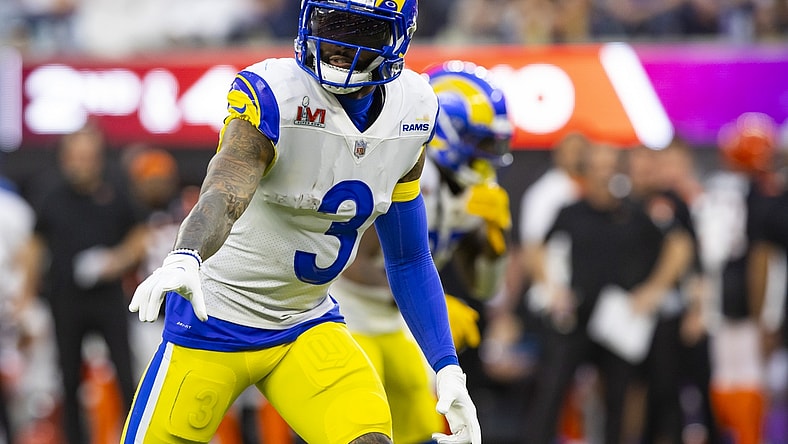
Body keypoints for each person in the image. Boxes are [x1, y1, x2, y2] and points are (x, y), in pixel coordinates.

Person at [122, 1, 481, 443]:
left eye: (357, 27)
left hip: (305, 323)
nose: (334, 40)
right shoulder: (275, 93)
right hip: (213, 316)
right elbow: (224, 190)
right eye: (329, 20)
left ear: (394, 38)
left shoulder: (414, 110)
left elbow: (408, 257)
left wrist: (446, 366)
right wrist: (186, 254)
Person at [329, 60, 512, 443]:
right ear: (446, 132)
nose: (487, 159)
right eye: (480, 145)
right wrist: (433, 304)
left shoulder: (471, 190)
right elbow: (353, 263)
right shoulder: (410, 172)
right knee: (363, 422)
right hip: (348, 311)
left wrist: (492, 241)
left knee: (418, 421)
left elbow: (482, 285)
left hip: (396, 319)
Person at [24, 122, 148, 444]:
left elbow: (138, 237)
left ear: (98, 158)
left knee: (125, 372)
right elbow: (34, 247)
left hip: (107, 297)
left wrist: (114, 260)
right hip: (65, 298)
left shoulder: (116, 193)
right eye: (75, 157)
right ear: (64, 159)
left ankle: (133, 437)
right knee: (68, 377)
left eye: (87, 157)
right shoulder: (50, 196)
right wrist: (25, 299)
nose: (80, 163)